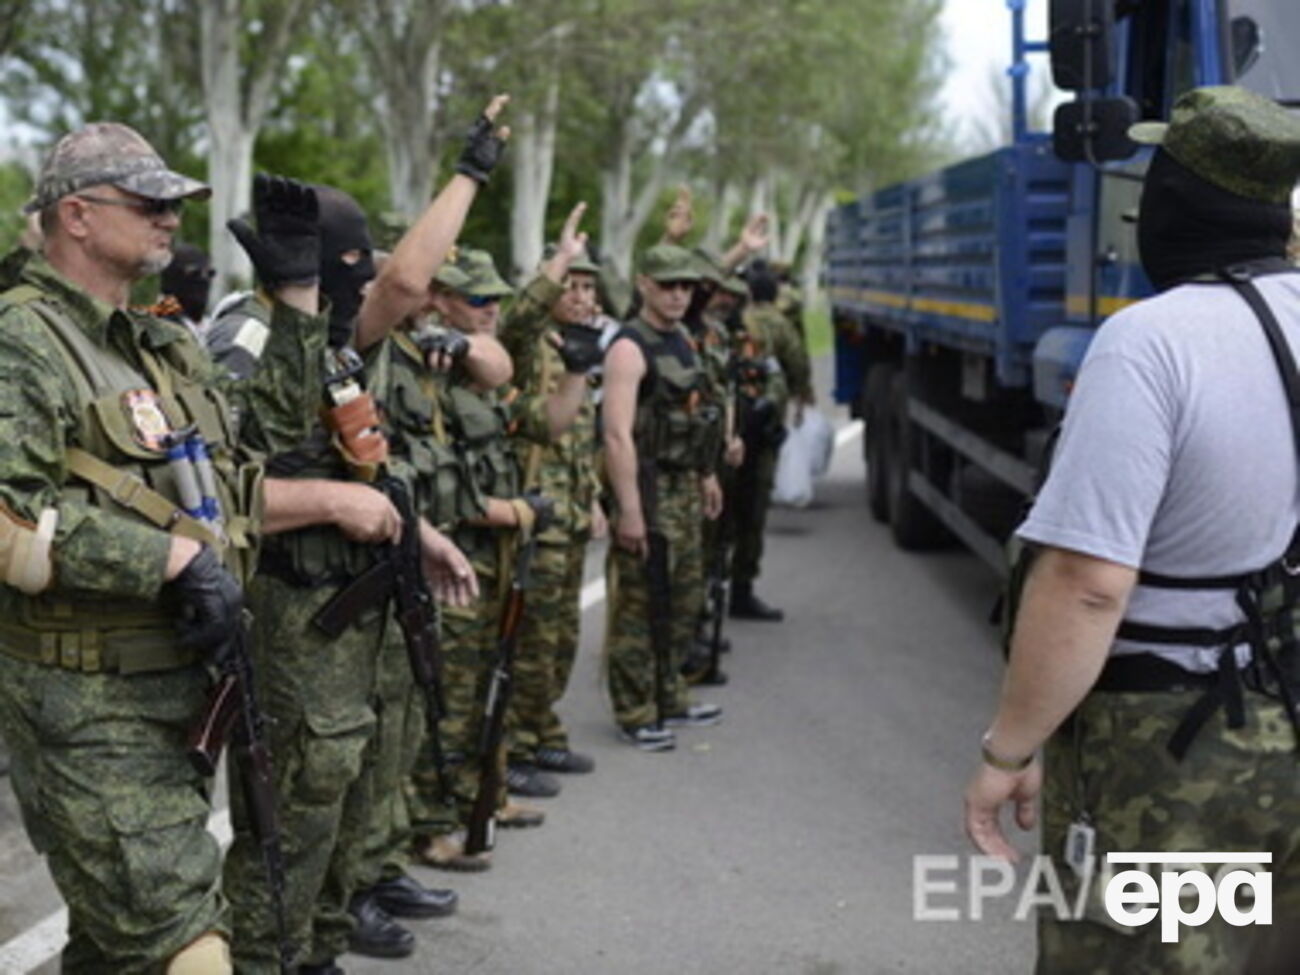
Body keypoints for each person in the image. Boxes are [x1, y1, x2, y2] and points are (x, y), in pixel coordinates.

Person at [0, 121, 396, 974]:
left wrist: (296, 295)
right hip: (84, 707)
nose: (170, 218)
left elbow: (258, 451)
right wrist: (168, 558)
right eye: (148, 202)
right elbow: (9, 517)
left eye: (174, 204)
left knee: (113, 946)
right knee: (185, 939)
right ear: (76, 214)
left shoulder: (162, 342)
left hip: (180, 692)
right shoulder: (20, 339)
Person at [963, 86, 1300, 973]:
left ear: (1175, 198)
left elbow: (1087, 583)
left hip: (1173, 753)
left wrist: (1010, 747)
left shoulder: (1150, 342)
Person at [218, 97, 509, 973]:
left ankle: (315, 947)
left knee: (342, 788)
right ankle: (268, 956)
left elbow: (361, 459)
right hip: (290, 609)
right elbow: (208, 492)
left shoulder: (334, 344)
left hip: (351, 610)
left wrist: (415, 532)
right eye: (352, 267)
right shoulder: (247, 337)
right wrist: (330, 503)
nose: (367, 285)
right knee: (294, 806)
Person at [409, 246, 587, 869]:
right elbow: (431, 488)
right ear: (440, 300)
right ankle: (430, 823)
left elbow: (545, 421)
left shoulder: (480, 377)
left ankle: (479, 796)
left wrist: (579, 370)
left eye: (495, 299)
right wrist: (514, 512)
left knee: (490, 684)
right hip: (451, 561)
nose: (490, 310)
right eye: (478, 299)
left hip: (496, 559)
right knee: (449, 700)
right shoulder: (425, 374)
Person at [499, 203, 605, 798]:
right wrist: (559, 259)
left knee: (562, 639)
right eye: (572, 285)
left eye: (589, 287)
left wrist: (596, 500)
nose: (582, 296)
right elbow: (519, 316)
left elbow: (583, 437)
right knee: (530, 642)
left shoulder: (579, 349)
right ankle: (511, 746)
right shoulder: (526, 345)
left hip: (572, 515)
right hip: (534, 517)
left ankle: (542, 731)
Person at [601, 243, 725, 750]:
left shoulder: (684, 339)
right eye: (667, 285)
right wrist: (630, 509)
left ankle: (670, 693)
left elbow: (695, 413)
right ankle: (635, 711)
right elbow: (616, 435)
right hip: (648, 488)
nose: (678, 295)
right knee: (639, 605)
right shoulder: (630, 348)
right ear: (644, 284)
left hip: (683, 486)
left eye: (685, 286)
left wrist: (706, 474)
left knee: (684, 598)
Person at [729, 259, 811, 621]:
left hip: (731, 431)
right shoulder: (779, 324)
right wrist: (800, 397)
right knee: (752, 512)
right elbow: (798, 364)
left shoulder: (735, 323)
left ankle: (708, 592)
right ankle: (741, 588)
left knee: (721, 514)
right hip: (761, 433)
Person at [155, 241, 215, 340]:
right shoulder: (157, 328)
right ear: (172, 277)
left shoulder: (214, 326)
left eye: (210, 273)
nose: (204, 279)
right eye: (195, 273)